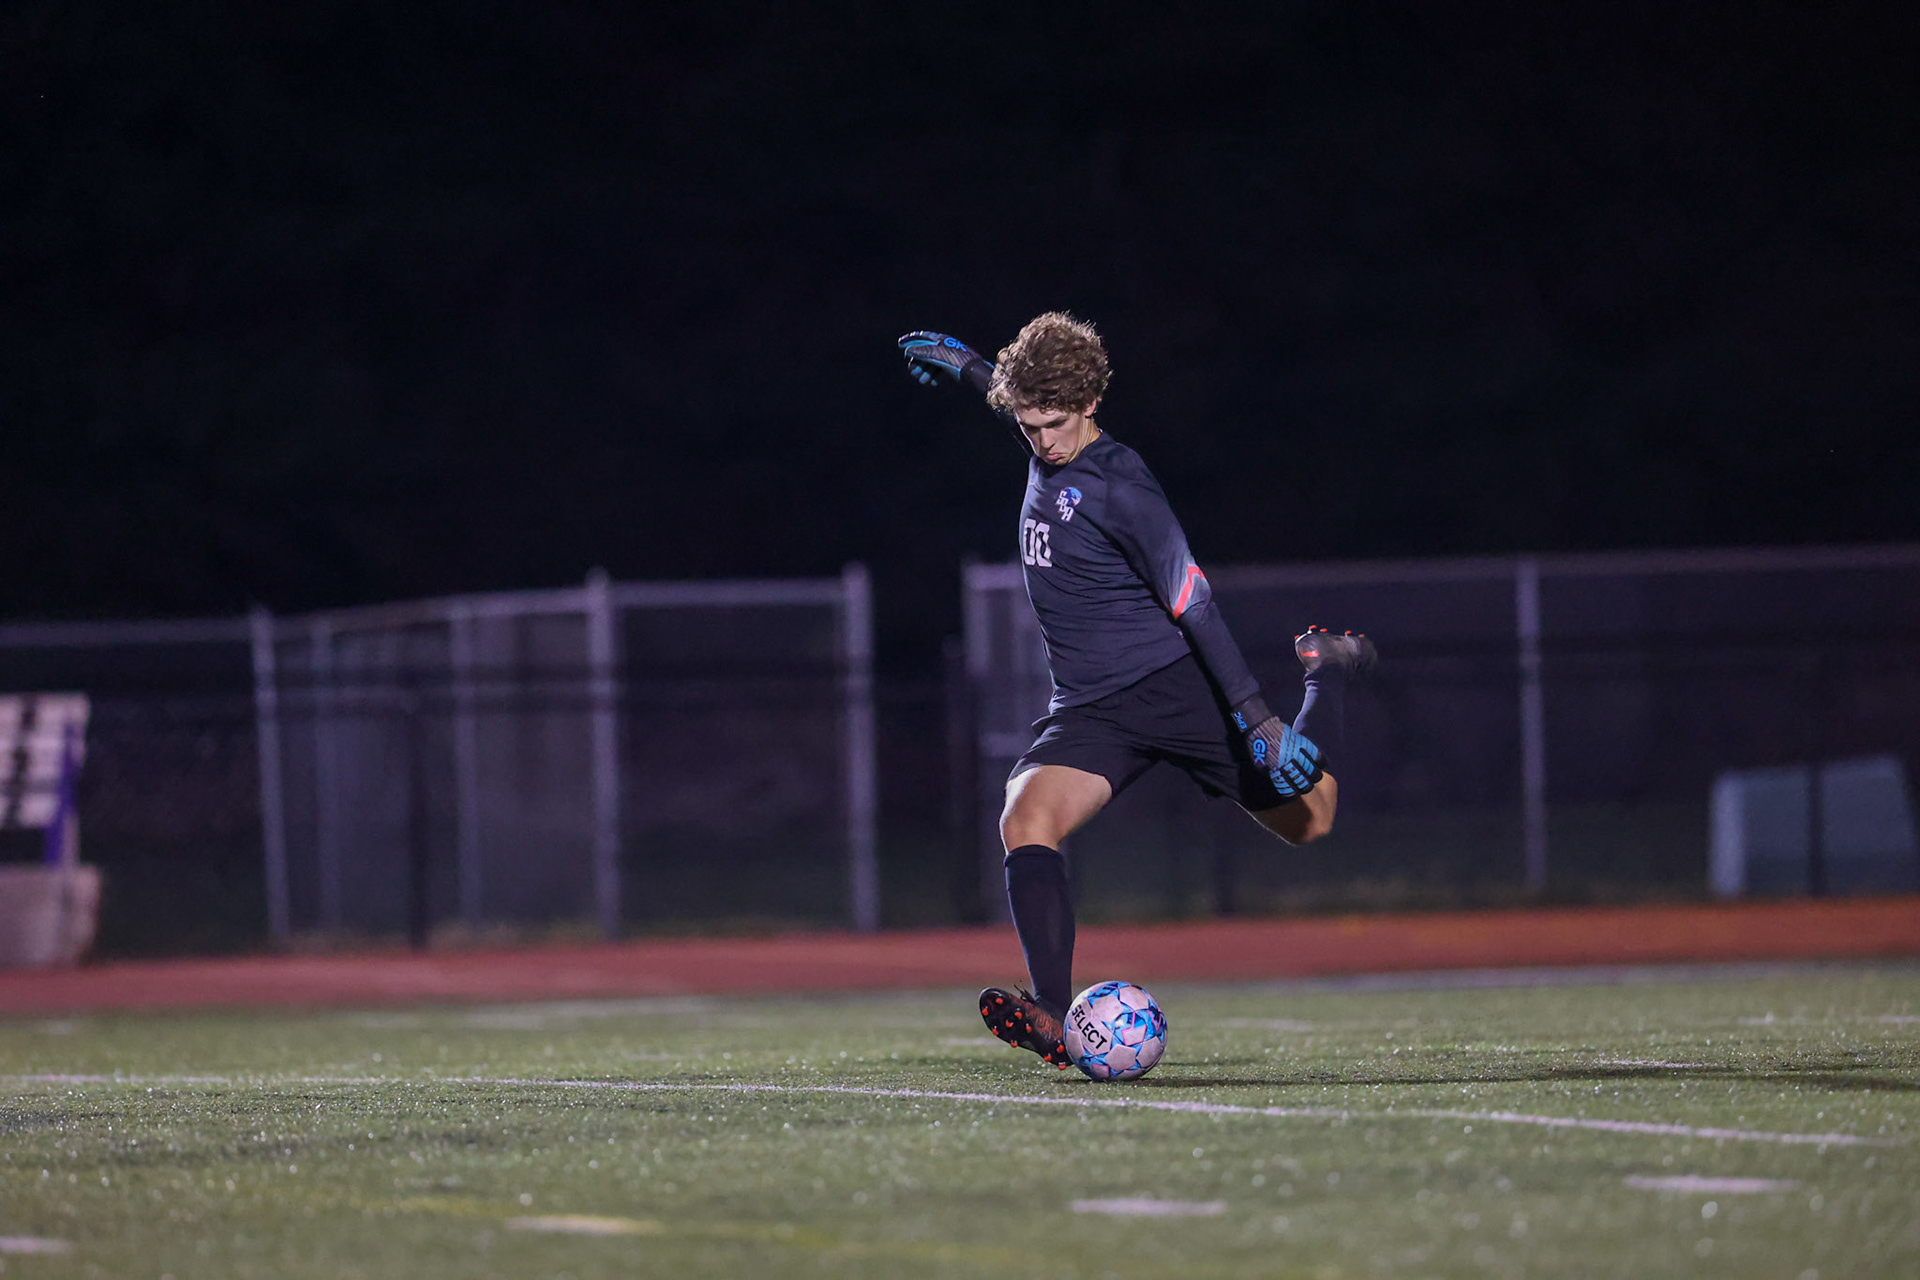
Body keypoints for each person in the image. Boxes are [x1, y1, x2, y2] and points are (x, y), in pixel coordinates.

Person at [899, 313, 1376, 1069]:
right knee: (1026, 818)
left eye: (1056, 424)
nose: (1044, 442)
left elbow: (1193, 601)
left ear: (1090, 403)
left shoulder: (1123, 487)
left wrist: (1255, 715)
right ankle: (1053, 1012)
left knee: (1311, 820)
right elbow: (1011, 392)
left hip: (1176, 688)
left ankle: (1324, 672)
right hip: (1091, 706)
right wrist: (965, 364)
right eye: (1028, 428)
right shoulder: (1038, 422)